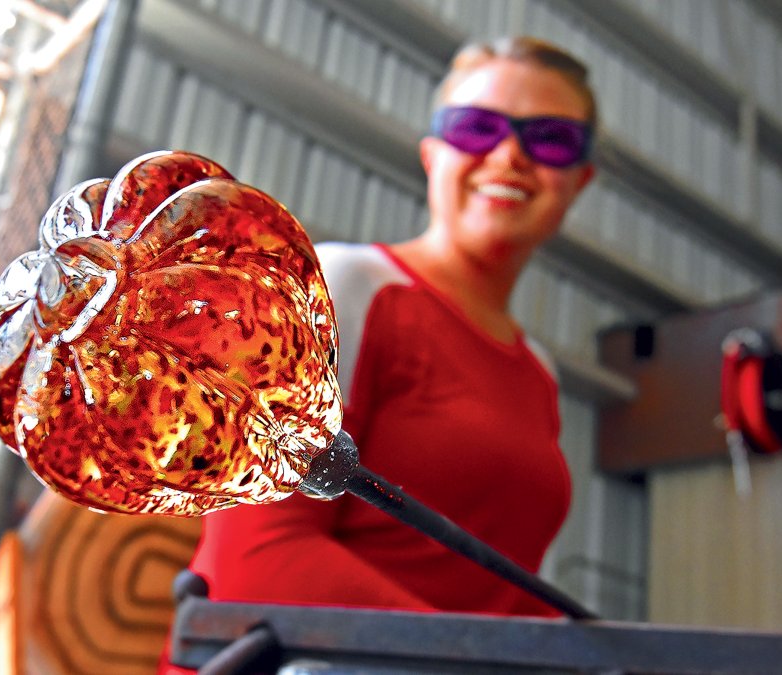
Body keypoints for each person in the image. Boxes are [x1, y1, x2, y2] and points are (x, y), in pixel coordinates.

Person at [162, 34, 597, 669]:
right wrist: (479, 662)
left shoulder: (539, 374)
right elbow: (255, 560)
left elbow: (505, 600)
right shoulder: (343, 289)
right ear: (432, 155)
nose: (509, 154)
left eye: (551, 139)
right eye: (477, 127)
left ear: (579, 180)